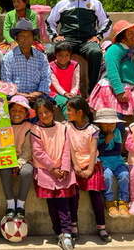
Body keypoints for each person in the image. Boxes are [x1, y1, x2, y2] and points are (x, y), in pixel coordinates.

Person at [46, 0, 112, 94]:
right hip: (67, 40)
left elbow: (106, 22)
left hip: (87, 40)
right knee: (50, 51)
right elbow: (50, 22)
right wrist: (55, 36)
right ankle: (52, 90)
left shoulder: (95, 3)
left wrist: (99, 36)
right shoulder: (62, 4)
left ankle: (92, 91)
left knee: (96, 52)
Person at [31, 98, 77, 250]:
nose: (44, 115)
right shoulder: (35, 130)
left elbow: (66, 148)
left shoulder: (62, 128)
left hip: (63, 171)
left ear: (53, 111)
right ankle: (58, 232)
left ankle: (67, 233)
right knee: (52, 204)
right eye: (40, 113)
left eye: (47, 112)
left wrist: (63, 168)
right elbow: (38, 153)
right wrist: (52, 168)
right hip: (46, 171)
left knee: (64, 203)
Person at [89, 20, 134, 117]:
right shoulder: (115, 49)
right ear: (122, 38)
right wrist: (119, 91)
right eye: (130, 33)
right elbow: (112, 71)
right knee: (116, 117)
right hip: (115, 88)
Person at [65, 97, 110, 243]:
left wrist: (90, 169)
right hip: (74, 165)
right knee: (73, 195)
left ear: (79, 112)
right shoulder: (67, 127)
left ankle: (101, 227)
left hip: (91, 164)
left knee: (96, 195)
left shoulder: (92, 130)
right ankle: (73, 226)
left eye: (69, 110)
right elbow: (69, 147)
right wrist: (76, 165)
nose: (67, 113)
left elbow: (93, 151)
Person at [1, 19, 51, 103]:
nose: (25, 39)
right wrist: (20, 95)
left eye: (28, 36)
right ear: (16, 39)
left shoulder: (41, 57)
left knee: (46, 107)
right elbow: (6, 81)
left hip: (38, 96)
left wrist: (38, 93)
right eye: (22, 36)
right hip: (15, 96)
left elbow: (46, 78)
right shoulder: (8, 58)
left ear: (33, 39)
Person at [0, 95, 33, 219]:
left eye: (20, 111)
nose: (16, 113)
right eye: (13, 110)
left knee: (27, 172)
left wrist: (19, 163)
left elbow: (27, 150)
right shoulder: (3, 126)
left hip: (24, 159)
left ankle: (20, 205)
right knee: (4, 170)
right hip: (7, 159)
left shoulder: (29, 127)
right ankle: (10, 204)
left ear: (26, 114)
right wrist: (10, 162)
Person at [94, 108, 130, 218]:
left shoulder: (117, 132)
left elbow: (118, 150)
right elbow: (98, 152)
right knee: (107, 176)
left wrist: (107, 145)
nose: (110, 127)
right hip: (104, 162)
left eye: (112, 124)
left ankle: (123, 201)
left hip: (117, 160)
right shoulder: (96, 134)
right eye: (106, 124)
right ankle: (109, 201)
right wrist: (106, 142)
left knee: (125, 175)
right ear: (100, 124)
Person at [50, 41, 80, 119]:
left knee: (80, 103)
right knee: (66, 102)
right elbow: (55, 83)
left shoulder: (75, 65)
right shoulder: (50, 66)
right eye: (60, 55)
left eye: (67, 55)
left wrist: (73, 93)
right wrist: (65, 94)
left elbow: (76, 82)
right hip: (55, 93)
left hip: (73, 92)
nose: (63, 58)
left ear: (70, 55)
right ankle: (69, 122)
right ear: (55, 55)